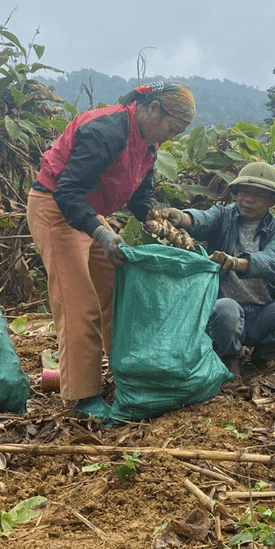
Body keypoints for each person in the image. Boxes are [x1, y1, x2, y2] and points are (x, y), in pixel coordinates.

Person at [26, 82, 195, 419]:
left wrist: (159, 218)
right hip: (57, 210)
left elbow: (139, 196)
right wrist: (102, 234)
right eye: (172, 128)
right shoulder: (106, 130)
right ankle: (84, 397)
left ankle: (125, 373)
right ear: (154, 109)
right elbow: (69, 191)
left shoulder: (148, 144)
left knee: (116, 294)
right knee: (80, 304)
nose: (170, 137)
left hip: (89, 214)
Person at [159, 161, 275, 378]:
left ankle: (265, 352)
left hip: (263, 313)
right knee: (226, 308)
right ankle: (230, 357)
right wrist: (180, 217)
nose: (248, 199)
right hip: (225, 312)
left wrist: (238, 263)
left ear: (273, 200)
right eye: (244, 191)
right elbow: (202, 219)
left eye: (259, 194)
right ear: (236, 192)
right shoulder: (223, 216)